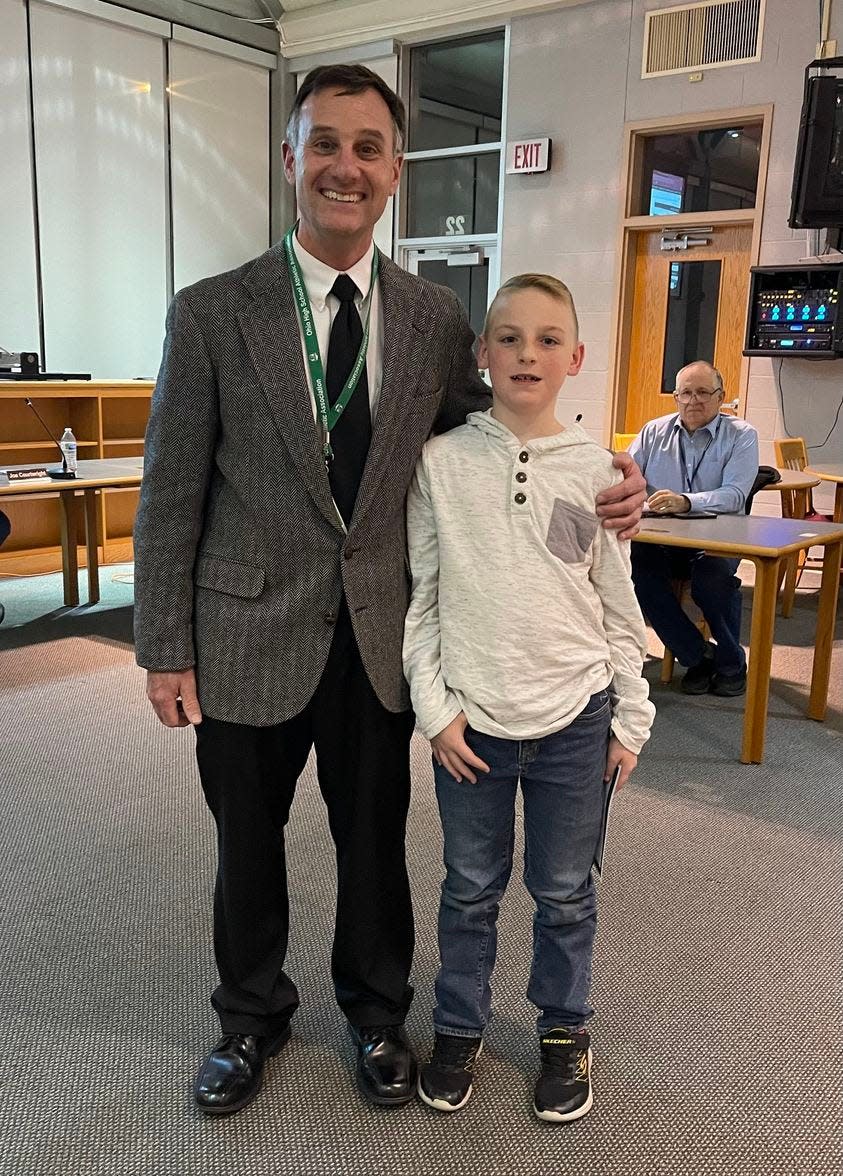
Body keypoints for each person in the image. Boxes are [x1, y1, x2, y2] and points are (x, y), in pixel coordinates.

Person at [133, 66, 646, 1117]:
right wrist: (163, 644)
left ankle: (376, 1016)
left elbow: (503, 425)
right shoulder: (211, 314)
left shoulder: (431, 319)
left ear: (395, 171)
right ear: (290, 161)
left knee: (376, 842)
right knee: (247, 847)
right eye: (325, 143)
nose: (346, 166)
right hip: (243, 633)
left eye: (369, 147)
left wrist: (615, 478)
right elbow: (170, 491)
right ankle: (248, 1018)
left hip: (378, 634)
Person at [403, 273, 655, 1122]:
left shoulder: (596, 473)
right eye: (507, 337)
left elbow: (618, 610)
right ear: (481, 355)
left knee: (563, 892)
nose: (526, 353)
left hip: (575, 722)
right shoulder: (440, 463)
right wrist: (434, 709)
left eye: (548, 340)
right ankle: (458, 1026)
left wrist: (629, 716)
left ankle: (562, 1029)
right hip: (471, 723)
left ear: (575, 359)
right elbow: (423, 599)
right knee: (468, 887)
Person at [628, 361, 759, 697]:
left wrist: (686, 501)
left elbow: (734, 495)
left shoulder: (742, 436)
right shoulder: (652, 432)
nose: (694, 400)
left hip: (718, 540)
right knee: (634, 570)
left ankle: (731, 663)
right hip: (662, 539)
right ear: (675, 396)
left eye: (703, 392)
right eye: (686, 393)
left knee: (712, 581)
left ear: (721, 397)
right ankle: (697, 655)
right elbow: (627, 481)